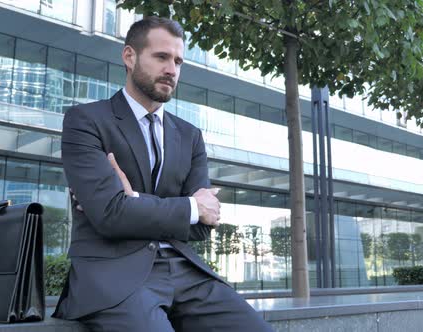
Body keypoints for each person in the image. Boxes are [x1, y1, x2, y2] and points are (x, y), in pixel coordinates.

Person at [53, 16, 273, 332]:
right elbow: (109, 214)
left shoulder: (189, 136)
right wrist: (189, 208)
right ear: (129, 56)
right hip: (115, 277)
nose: (172, 69)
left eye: (178, 61)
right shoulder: (85, 121)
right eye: (161, 57)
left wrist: (136, 201)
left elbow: (202, 227)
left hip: (186, 273)